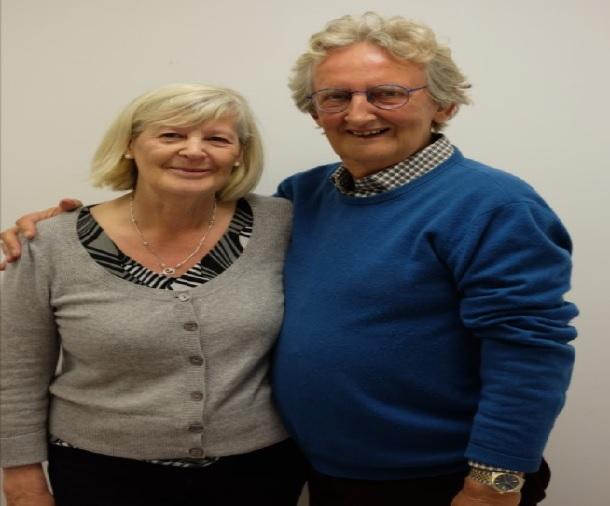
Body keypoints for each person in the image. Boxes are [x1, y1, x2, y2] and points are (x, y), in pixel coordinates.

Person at [1, 12, 577, 506]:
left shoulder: (494, 205)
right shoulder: (304, 199)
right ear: (314, 110)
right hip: (321, 473)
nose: (358, 113)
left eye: (387, 94)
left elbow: (531, 349)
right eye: (336, 96)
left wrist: (496, 481)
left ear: (444, 105)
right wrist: (58, 224)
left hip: (437, 478)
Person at [0, 83, 307, 506]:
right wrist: (22, 483)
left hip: (257, 472)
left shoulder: (282, 224)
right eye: (171, 135)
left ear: (239, 153)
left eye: (217, 139)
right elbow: (14, 371)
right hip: (99, 474)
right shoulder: (48, 243)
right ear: (130, 145)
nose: (194, 150)